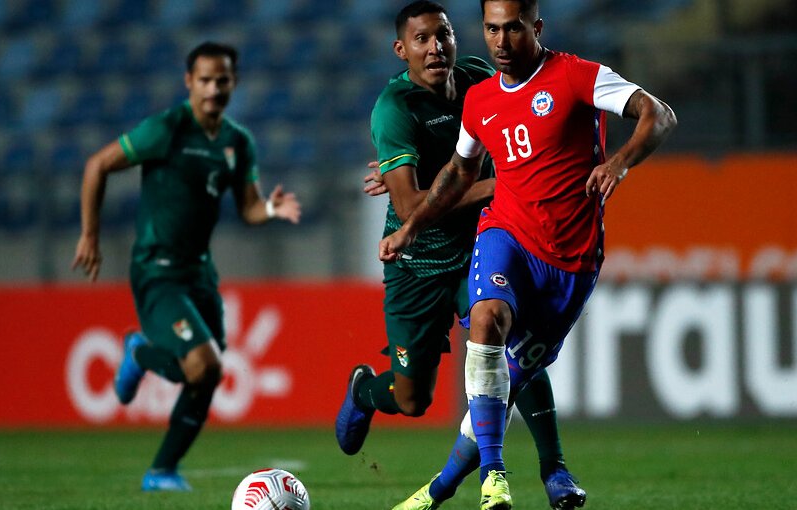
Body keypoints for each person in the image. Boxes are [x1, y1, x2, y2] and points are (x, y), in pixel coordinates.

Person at [382, 0, 677, 508]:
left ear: (535, 27)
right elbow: (458, 173)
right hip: (506, 234)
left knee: (506, 385)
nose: (500, 40)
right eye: (492, 29)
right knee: (486, 319)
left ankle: (439, 488)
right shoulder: (480, 99)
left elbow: (659, 114)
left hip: (570, 259)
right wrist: (413, 224)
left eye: (512, 28)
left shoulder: (576, 76)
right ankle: (494, 476)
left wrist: (621, 161)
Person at [335, 2, 586, 509]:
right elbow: (409, 206)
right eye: (423, 40)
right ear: (401, 50)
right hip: (418, 264)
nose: (437, 48)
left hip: (483, 243)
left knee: (516, 346)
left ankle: (553, 470)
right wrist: (508, 183)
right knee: (413, 398)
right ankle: (366, 392)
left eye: (444, 35)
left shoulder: (477, 77)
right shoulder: (394, 108)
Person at [71, 41, 301, 492]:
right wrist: (90, 234)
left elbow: (250, 209)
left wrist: (270, 210)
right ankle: (139, 351)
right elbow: (97, 165)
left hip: (199, 273)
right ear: (189, 83)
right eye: (206, 80)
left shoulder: (238, 142)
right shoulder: (168, 129)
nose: (214, 88)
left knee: (208, 375)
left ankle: (161, 471)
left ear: (233, 82)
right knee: (204, 366)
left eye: (223, 80)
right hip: (157, 268)